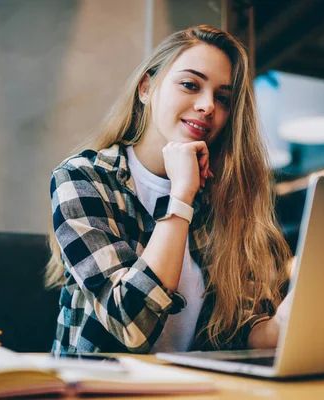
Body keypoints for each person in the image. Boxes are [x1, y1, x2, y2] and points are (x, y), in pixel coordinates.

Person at [46, 25, 292, 355]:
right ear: (146, 88)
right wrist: (181, 197)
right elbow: (128, 322)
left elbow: (237, 333)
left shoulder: (224, 196)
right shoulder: (83, 178)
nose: (208, 106)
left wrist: (283, 325)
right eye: (190, 85)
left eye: (223, 98)